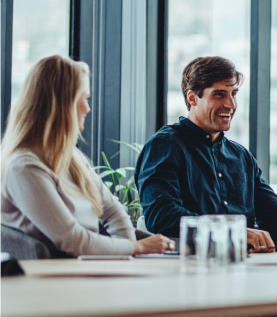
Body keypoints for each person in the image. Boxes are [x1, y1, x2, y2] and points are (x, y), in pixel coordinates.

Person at [1, 55, 174, 256]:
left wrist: (127, 253)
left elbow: (113, 211)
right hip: (50, 279)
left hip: (83, 270)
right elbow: (72, 240)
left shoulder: (71, 158)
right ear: (63, 105)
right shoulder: (24, 168)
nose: (88, 108)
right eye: (84, 99)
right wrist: (136, 247)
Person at [136, 56, 277, 252]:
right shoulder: (165, 145)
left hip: (245, 267)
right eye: (219, 95)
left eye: (234, 93)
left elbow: (271, 208)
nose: (231, 104)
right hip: (187, 268)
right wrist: (233, 232)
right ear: (192, 98)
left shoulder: (240, 156)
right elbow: (162, 216)